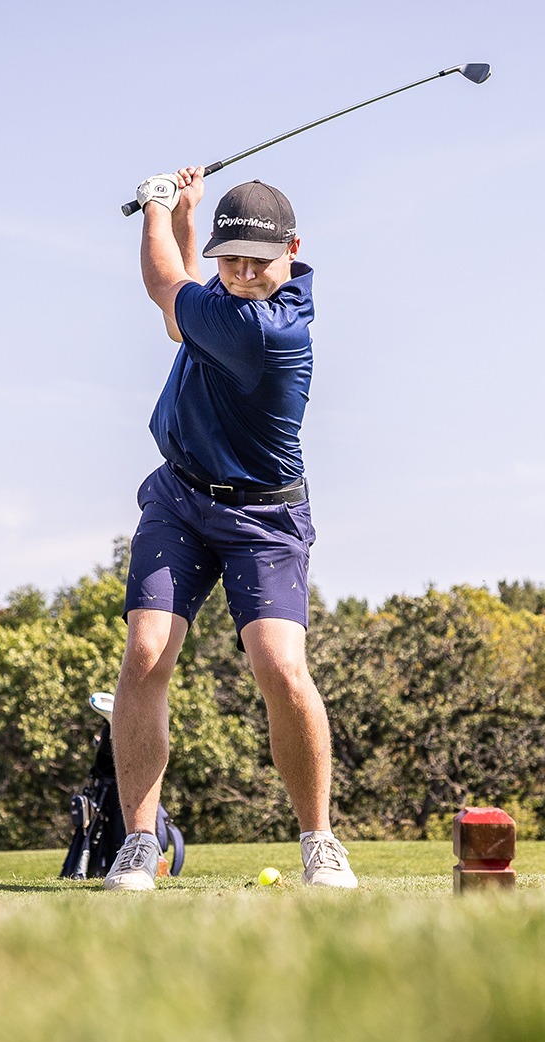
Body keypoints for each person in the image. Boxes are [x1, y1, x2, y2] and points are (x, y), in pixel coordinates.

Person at [103, 167, 357, 890]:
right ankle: (138, 844)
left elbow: (164, 287)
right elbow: (188, 292)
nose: (244, 275)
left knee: (280, 667)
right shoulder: (230, 294)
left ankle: (320, 839)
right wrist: (188, 215)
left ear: (294, 251)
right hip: (180, 498)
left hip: (264, 515)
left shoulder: (268, 331)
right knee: (146, 652)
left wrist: (153, 209)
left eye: (259, 262)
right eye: (231, 260)